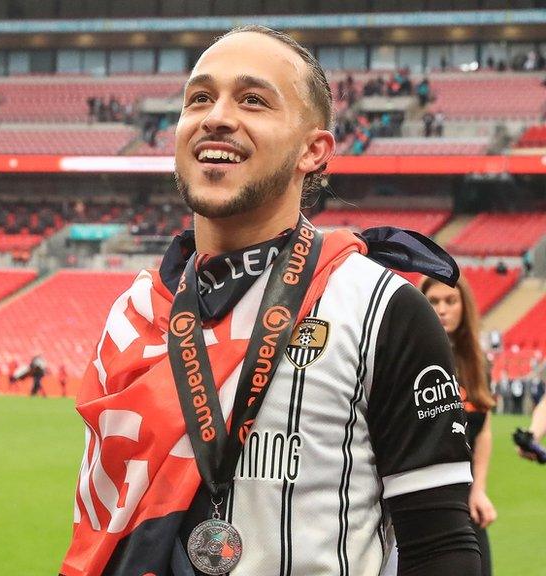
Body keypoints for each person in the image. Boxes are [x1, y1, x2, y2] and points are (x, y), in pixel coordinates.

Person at [61, 26, 478, 576]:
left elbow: (441, 550)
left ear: (314, 150)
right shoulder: (134, 313)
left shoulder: (385, 311)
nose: (216, 116)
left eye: (253, 100)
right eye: (199, 98)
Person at [422, 275, 497, 576]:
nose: (442, 309)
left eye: (450, 301)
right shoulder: (411, 357)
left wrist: (479, 490)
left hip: (465, 504)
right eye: (433, 302)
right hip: (424, 501)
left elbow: (484, 430)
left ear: (464, 307)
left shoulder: (478, 363)